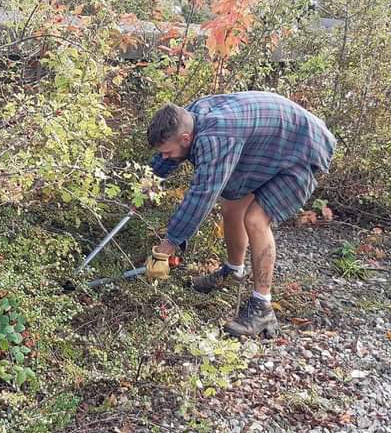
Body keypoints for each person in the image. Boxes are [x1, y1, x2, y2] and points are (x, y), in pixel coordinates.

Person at [143, 91, 336, 338]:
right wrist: (145, 183)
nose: (165, 157)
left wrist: (167, 246)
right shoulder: (189, 117)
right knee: (232, 206)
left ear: (185, 137)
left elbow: (202, 195)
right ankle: (234, 272)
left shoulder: (216, 137)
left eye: (167, 152)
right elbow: (169, 157)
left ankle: (262, 307)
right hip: (271, 146)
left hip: (302, 150)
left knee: (255, 220)